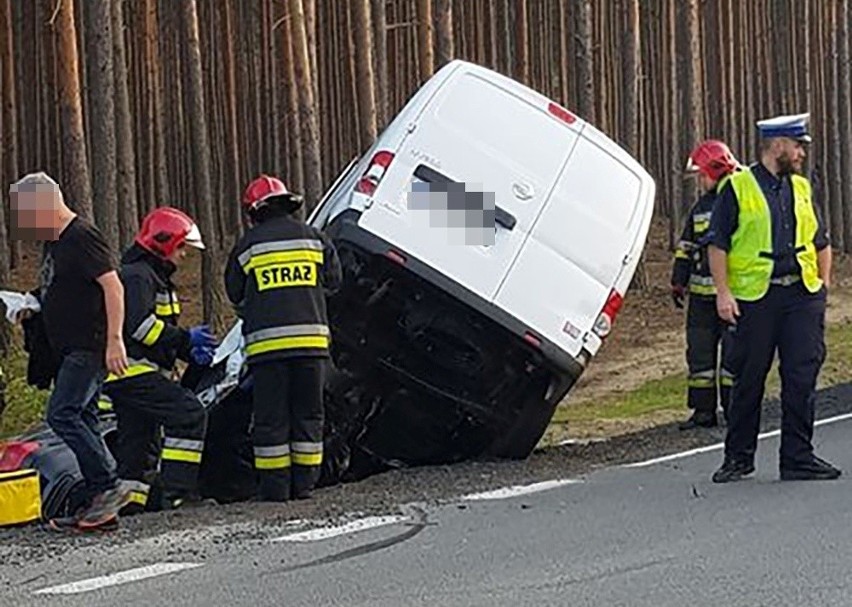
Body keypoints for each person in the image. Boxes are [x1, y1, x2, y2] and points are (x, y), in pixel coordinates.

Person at [707, 112, 840, 483]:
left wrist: (822, 286)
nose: (801, 153)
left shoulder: (801, 187)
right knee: (749, 378)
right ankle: (738, 458)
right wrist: (723, 293)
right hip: (756, 298)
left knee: (801, 377)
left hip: (801, 296)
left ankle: (798, 457)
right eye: (797, 146)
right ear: (778, 145)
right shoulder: (737, 187)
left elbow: (820, 240)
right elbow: (717, 245)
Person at [8, 172, 132, 530]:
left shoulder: (81, 237)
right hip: (67, 349)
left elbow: (113, 287)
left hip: (88, 347)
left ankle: (108, 484)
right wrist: (32, 305)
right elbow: (60, 289)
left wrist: (114, 340)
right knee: (86, 417)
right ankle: (100, 506)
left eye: (28, 215)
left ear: (45, 206)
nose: (26, 224)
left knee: (62, 414)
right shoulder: (54, 244)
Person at [225, 175, 342, 502]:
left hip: (267, 352)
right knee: (308, 415)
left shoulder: (247, 247)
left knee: (271, 420)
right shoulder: (315, 240)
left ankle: (275, 490)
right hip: (311, 347)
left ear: (254, 211)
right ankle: (304, 486)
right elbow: (334, 283)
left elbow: (235, 293)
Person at [102, 207, 217, 512]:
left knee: (138, 446)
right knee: (189, 414)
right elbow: (139, 327)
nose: (183, 255)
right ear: (163, 242)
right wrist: (185, 339)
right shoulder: (139, 277)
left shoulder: (151, 276)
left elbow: (157, 332)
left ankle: (130, 506)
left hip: (130, 375)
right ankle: (177, 494)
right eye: (181, 247)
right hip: (132, 373)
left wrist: (187, 351)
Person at [672, 140, 740, 430]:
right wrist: (679, 279)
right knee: (699, 356)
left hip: (734, 296)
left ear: (717, 168)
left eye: (703, 174)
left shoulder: (741, 201)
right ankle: (703, 411)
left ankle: (735, 409)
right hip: (701, 299)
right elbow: (686, 246)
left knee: (734, 358)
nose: (701, 180)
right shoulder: (700, 207)